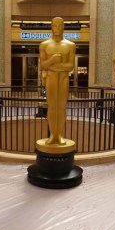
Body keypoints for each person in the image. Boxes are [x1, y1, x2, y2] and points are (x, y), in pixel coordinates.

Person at [39, 17, 75, 146]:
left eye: (60, 25)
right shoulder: (44, 45)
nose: (57, 28)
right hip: (51, 78)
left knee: (61, 107)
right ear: (51, 27)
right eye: (55, 25)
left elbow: (70, 66)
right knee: (52, 107)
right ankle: (52, 134)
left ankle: (59, 134)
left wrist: (53, 66)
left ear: (64, 27)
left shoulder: (70, 45)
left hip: (64, 78)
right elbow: (43, 65)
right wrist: (53, 59)